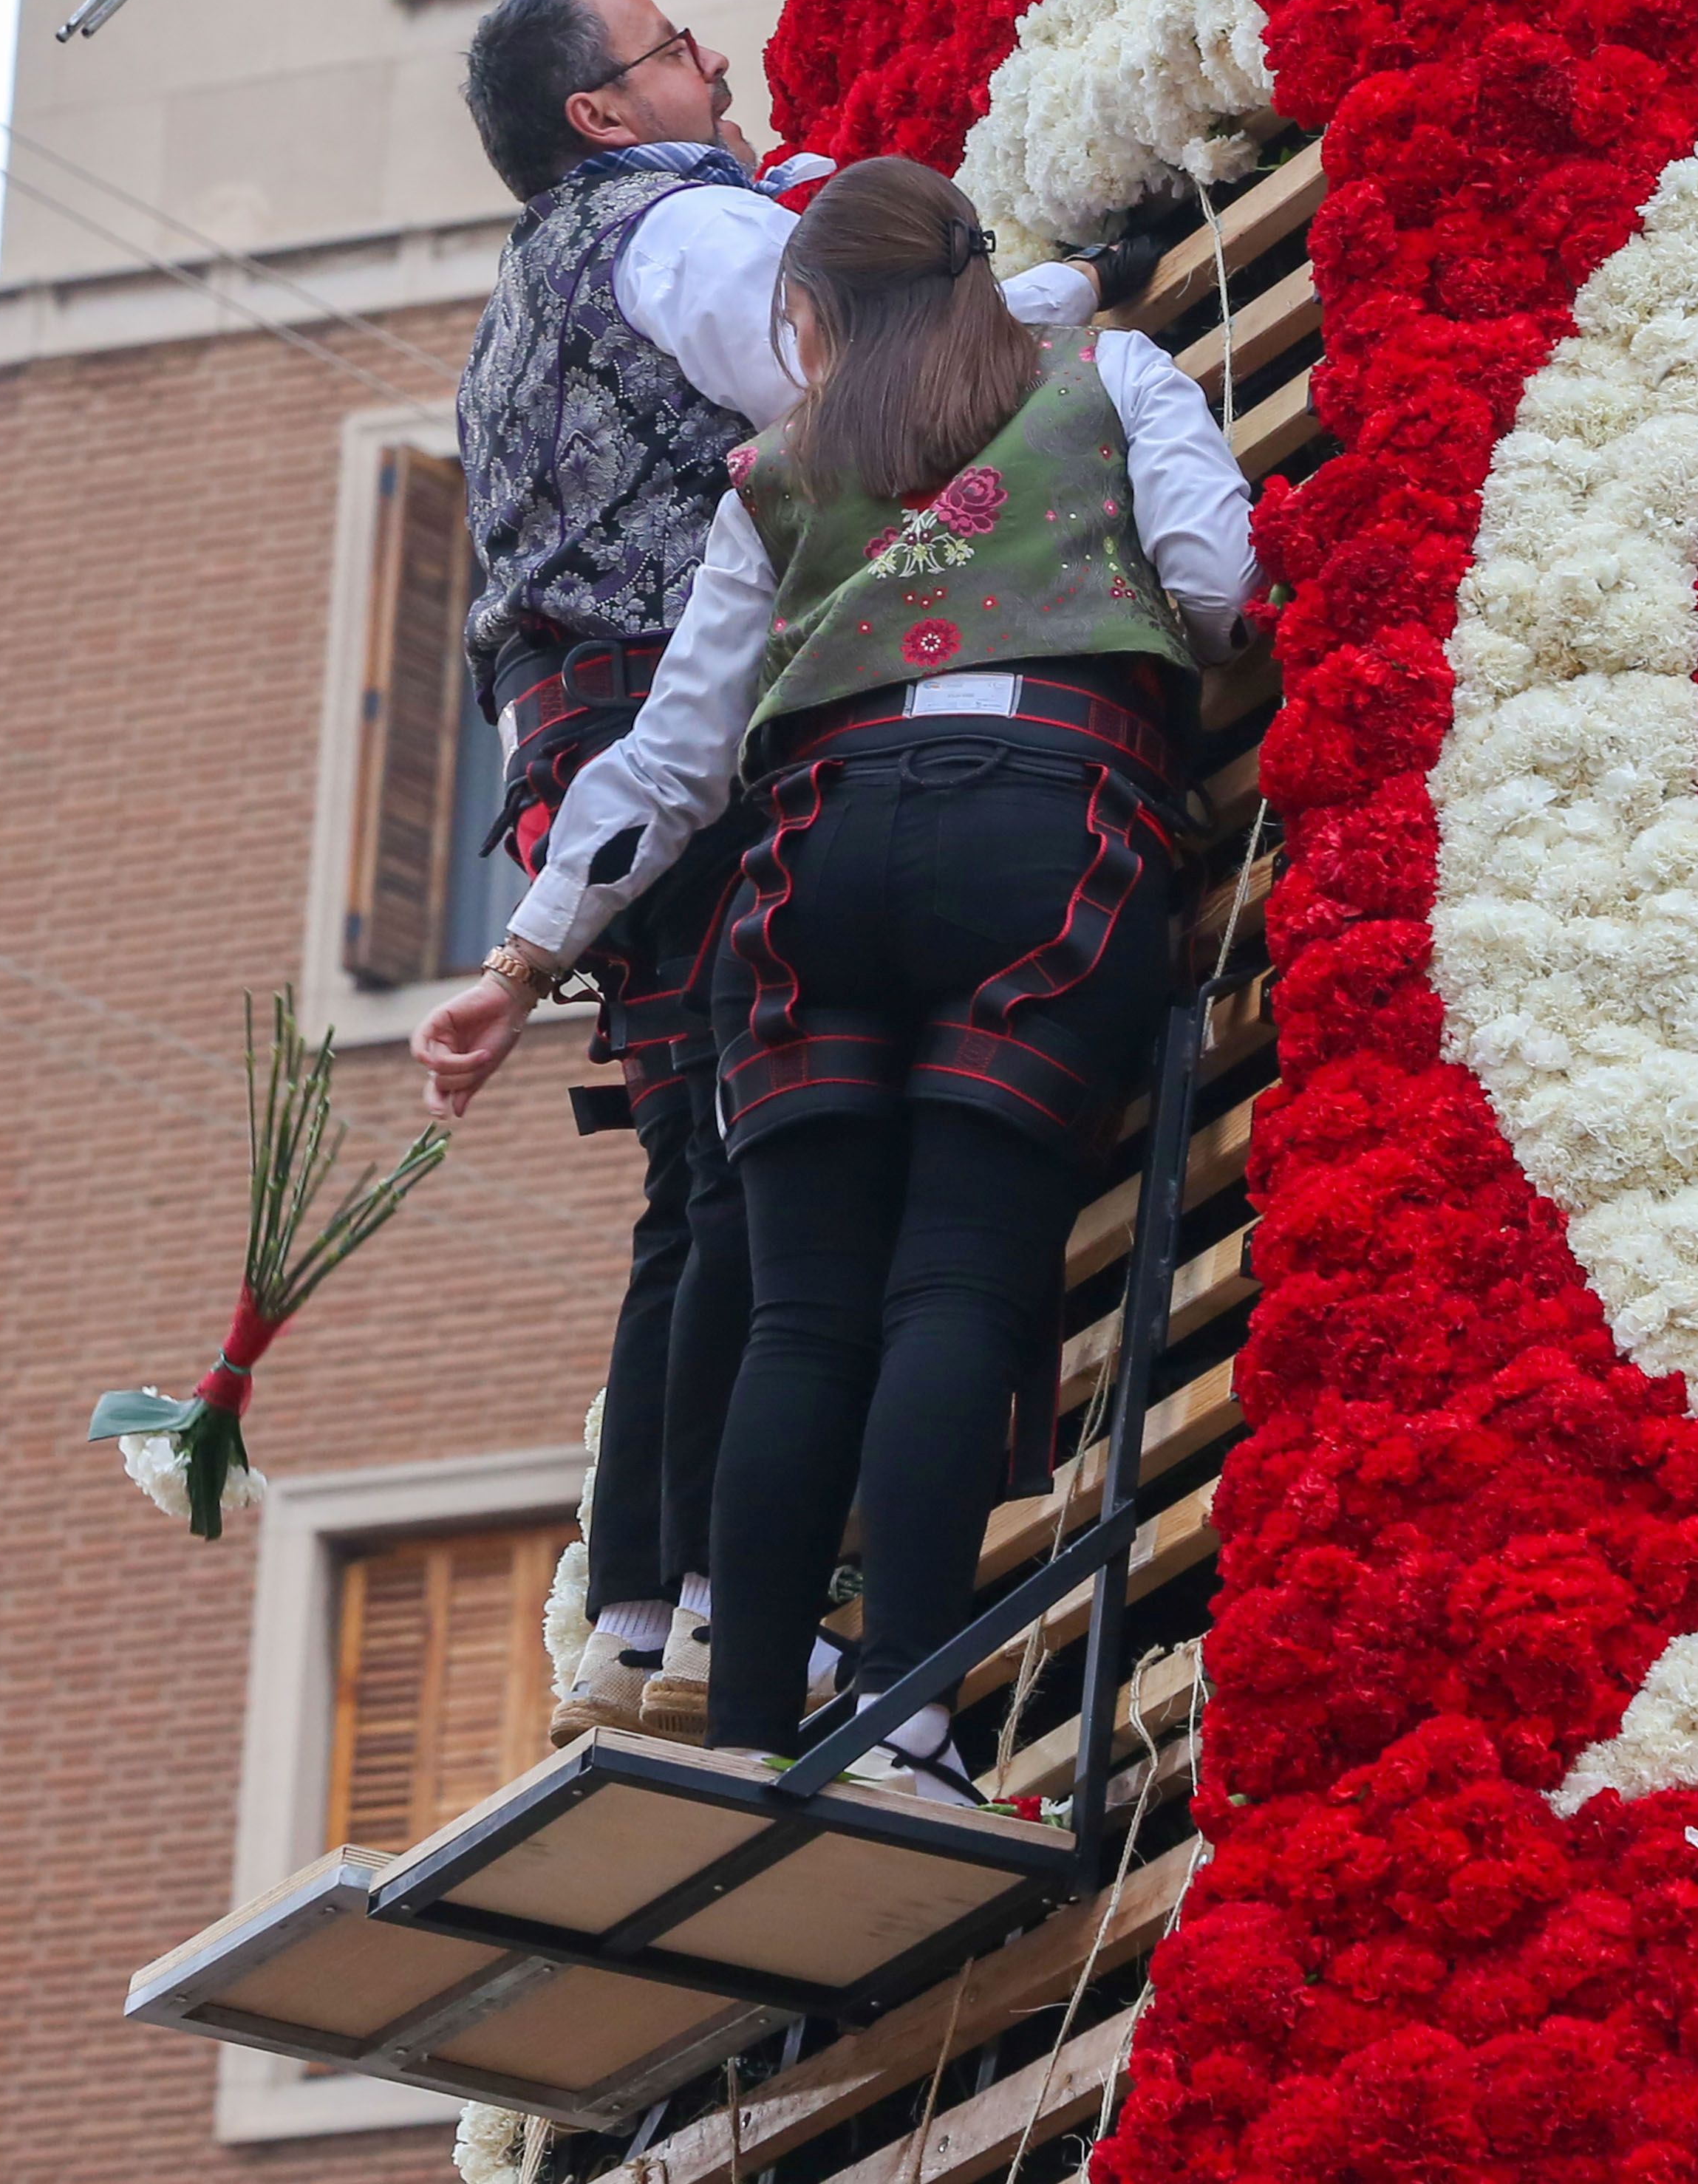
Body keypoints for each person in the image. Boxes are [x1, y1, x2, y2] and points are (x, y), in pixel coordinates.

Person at [416, 156, 1257, 1802]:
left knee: (802, 1315)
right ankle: (906, 1724)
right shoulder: (1108, 379)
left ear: (808, 320)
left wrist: (518, 968)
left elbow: (673, 761)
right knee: (957, 1283)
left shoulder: (779, 472)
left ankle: (741, 1737)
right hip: (1046, 836)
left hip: (806, 873)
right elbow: (1217, 590)